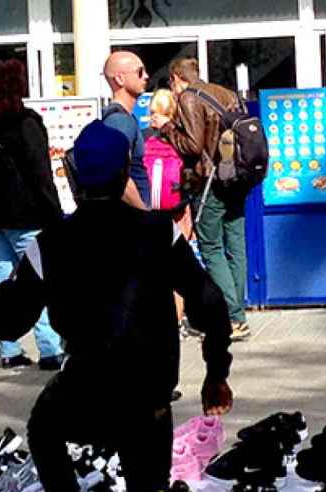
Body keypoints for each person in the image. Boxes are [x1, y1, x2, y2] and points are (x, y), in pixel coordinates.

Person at [0, 121, 234, 492]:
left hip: (87, 385)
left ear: (75, 177)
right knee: (148, 430)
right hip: (151, 385)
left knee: (44, 425)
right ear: (124, 176)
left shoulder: (52, 243)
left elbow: (6, 321)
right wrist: (216, 373)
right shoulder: (161, 232)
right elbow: (210, 303)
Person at [0, 59, 65, 370]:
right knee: (41, 281)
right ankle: (49, 349)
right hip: (29, 215)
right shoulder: (27, 122)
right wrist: (55, 213)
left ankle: (9, 348)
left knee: (4, 277)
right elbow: (41, 172)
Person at [154, 57, 251, 341]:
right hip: (236, 179)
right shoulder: (225, 93)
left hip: (210, 183)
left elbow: (194, 146)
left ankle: (232, 317)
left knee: (210, 247)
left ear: (175, 78)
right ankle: (239, 314)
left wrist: (167, 127)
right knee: (236, 244)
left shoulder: (188, 98)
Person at [143, 88, 196, 337]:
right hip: (177, 210)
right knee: (179, 268)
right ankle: (175, 321)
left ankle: (157, 321)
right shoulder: (182, 141)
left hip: (151, 212)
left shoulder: (143, 139)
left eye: (155, 112)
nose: (152, 117)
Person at [102, 50, 151, 210]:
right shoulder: (119, 121)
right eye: (140, 72)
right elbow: (116, 174)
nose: (146, 76)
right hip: (131, 221)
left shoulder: (123, 118)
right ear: (120, 78)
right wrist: (143, 212)